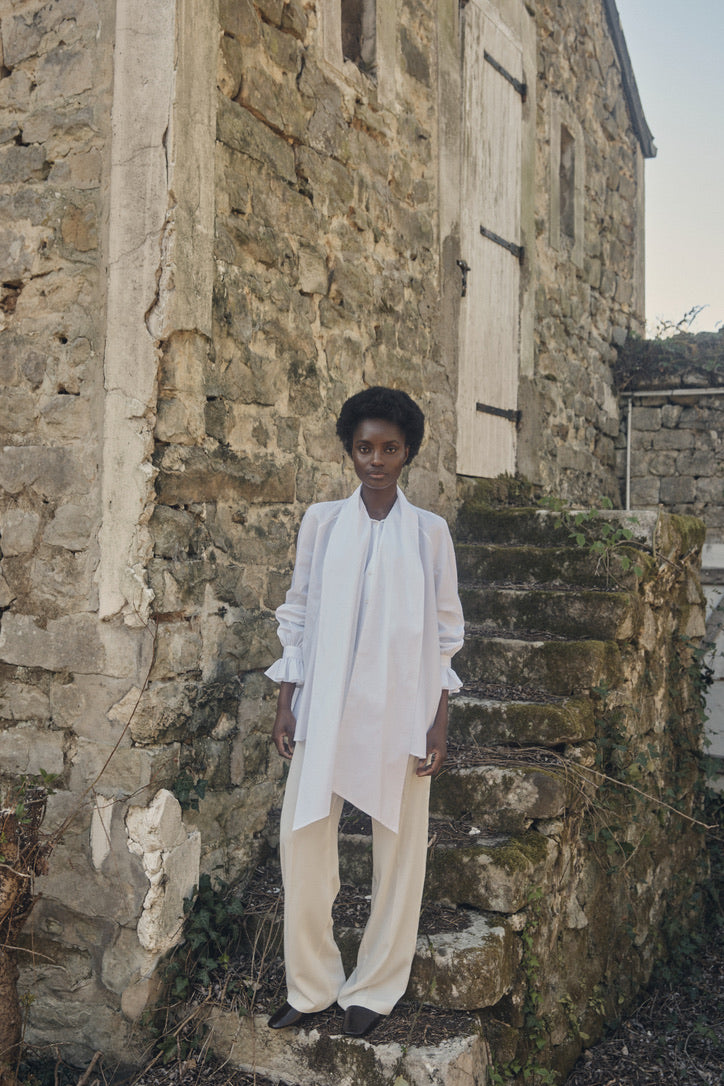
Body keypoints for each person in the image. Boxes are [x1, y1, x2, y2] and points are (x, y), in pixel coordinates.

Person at [264, 386, 464, 1039]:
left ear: (408, 453)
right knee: (301, 840)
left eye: (389, 448)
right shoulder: (322, 523)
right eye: (364, 447)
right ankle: (311, 986)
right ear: (349, 451)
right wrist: (287, 700)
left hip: (403, 707)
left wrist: (438, 720)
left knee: (399, 850)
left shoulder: (430, 534)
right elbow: (297, 613)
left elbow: (445, 633)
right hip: (324, 704)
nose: (375, 460)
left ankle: (375, 988)